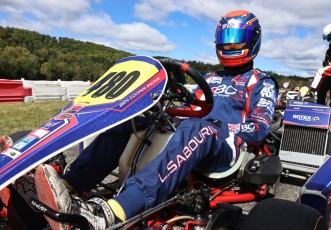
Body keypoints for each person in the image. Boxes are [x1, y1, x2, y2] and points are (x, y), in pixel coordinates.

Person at [34, 10, 279, 229]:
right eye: (225, 40)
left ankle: (113, 212)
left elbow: (258, 128)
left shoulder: (261, 82)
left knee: (198, 127)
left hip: (228, 146)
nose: (229, 45)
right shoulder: (209, 78)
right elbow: (187, 107)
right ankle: (68, 186)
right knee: (132, 122)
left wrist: (218, 127)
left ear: (252, 40)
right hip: (192, 136)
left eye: (236, 40)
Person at [315, 23, 331, 117]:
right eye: (327, 38)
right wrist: (326, 63)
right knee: (321, 88)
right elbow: (326, 58)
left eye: (329, 36)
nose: (328, 39)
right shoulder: (330, 48)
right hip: (328, 70)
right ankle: (320, 106)